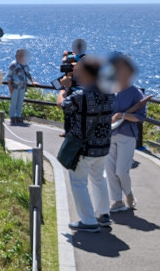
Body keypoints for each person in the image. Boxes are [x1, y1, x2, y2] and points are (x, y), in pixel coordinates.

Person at [57, 56, 114, 233]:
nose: (77, 75)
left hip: (83, 148)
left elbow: (62, 105)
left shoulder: (80, 95)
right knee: (99, 179)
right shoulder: (109, 92)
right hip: (103, 146)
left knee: (79, 182)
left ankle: (88, 221)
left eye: (80, 72)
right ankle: (103, 214)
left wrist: (64, 88)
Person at [106, 53, 149, 213]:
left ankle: (128, 194)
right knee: (109, 170)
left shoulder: (135, 93)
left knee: (121, 171)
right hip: (109, 134)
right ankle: (117, 201)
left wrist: (123, 115)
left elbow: (140, 117)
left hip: (127, 135)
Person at [5, 49, 37, 124]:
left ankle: (18, 116)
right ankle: (12, 116)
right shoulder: (13, 64)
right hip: (14, 86)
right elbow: (9, 76)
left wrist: (32, 82)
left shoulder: (25, 64)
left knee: (20, 102)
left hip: (22, 86)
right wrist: (10, 87)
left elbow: (28, 74)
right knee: (14, 102)